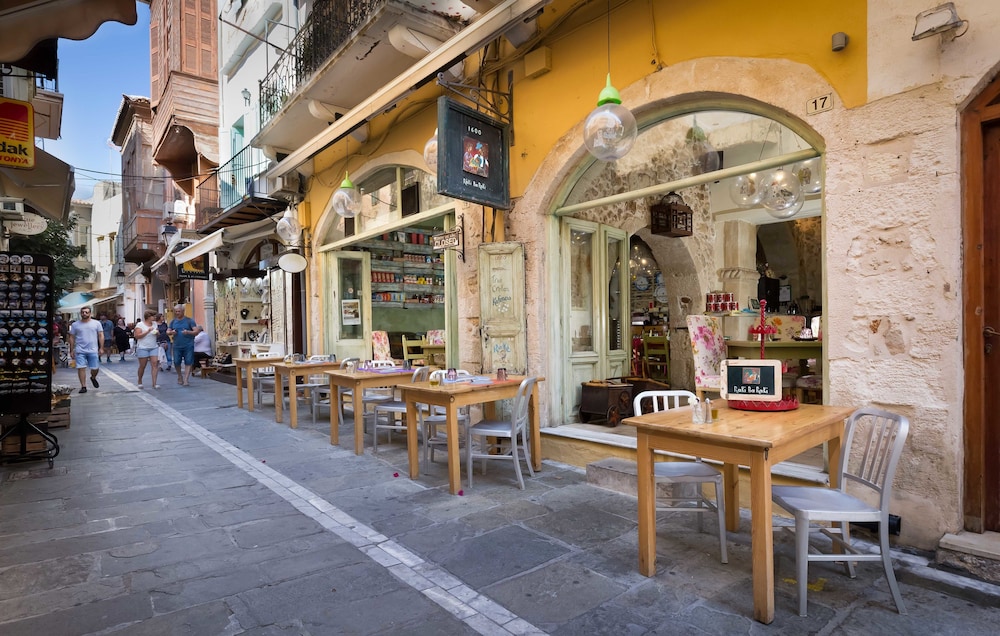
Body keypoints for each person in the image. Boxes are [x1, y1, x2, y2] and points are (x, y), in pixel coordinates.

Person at [68, 307, 103, 393]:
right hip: (80, 350)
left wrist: (101, 347)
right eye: (83, 312)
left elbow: (101, 335)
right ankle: (83, 386)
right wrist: (71, 350)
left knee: (95, 368)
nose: (84, 314)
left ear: (90, 313)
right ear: (80, 313)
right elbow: (71, 337)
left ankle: (93, 377)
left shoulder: (96, 323)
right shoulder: (75, 325)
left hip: (93, 349)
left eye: (86, 312)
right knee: (81, 368)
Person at [167, 303, 201, 386]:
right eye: (176, 311)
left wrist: (188, 332)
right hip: (176, 345)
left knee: (188, 362)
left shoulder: (189, 321)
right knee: (176, 362)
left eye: (179, 311)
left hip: (188, 345)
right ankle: (179, 376)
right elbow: (167, 331)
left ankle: (186, 379)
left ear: (183, 311)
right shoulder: (173, 321)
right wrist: (171, 332)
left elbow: (196, 331)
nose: (177, 313)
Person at [133, 309, 161, 389]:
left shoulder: (155, 324)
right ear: (148, 317)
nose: (155, 317)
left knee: (155, 364)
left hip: (154, 346)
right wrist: (147, 331)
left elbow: (157, 333)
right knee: (143, 365)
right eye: (153, 316)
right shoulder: (140, 325)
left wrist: (157, 333)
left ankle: (154, 383)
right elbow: (137, 336)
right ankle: (140, 381)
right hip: (143, 347)